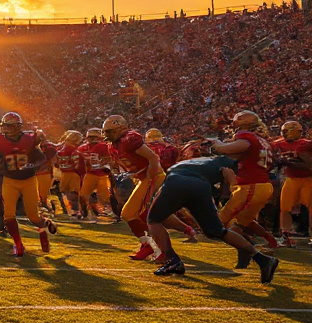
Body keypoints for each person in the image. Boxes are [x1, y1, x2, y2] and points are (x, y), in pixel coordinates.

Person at [148, 151, 278, 282]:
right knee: (216, 231)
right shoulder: (226, 162)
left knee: (153, 220)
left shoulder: (213, 161)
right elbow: (229, 177)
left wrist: (233, 185)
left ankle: (172, 260)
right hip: (200, 186)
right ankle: (262, 259)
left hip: (177, 180)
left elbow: (230, 176)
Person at [0, 112, 57, 257]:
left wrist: (31, 165)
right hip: (10, 180)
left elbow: (41, 158)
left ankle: (44, 226)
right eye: (5, 126)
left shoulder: (29, 140)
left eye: (10, 126)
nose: (6, 130)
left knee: (33, 216)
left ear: (18, 127)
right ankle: (18, 244)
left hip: (28, 180)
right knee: (8, 215)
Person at [211, 110, 280, 250]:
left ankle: (247, 251)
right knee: (244, 220)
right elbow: (240, 155)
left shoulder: (247, 137)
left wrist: (216, 143)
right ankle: (270, 240)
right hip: (261, 185)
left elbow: (226, 149)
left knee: (222, 220)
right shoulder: (262, 140)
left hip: (251, 186)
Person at [103, 115, 165, 261]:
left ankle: (162, 249)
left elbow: (153, 158)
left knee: (143, 214)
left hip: (153, 176)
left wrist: (149, 176)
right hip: (143, 179)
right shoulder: (113, 146)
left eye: (110, 131)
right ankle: (148, 244)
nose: (107, 135)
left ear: (120, 129)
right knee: (128, 214)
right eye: (106, 132)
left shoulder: (129, 140)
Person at [272, 120, 312, 246]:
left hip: (307, 179)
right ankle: (286, 237)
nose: (283, 133)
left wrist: (286, 162)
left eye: (286, 131)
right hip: (291, 179)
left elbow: (308, 165)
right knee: (285, 208)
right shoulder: (278, 143)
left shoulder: (305, 144)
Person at [77, 128, 114, 220]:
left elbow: (111, 158)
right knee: (83, 196)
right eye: (90, 137)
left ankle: (112, 211)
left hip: (103, 174)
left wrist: (106, 164)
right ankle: (84, 212)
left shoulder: (104, 146)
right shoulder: (82, 148)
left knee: (106, 196)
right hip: (90, 173)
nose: (92, 139)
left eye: (94, 137)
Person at [55, 131, 87, 219]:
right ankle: (76, 211)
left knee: (66, 192)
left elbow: (56, 163)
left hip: (63, 173)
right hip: (73, 173)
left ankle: (71, 210)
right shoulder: (74, 151)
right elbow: (78, 165)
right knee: (74, 193)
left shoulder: (60, 149)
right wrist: (82, 173)